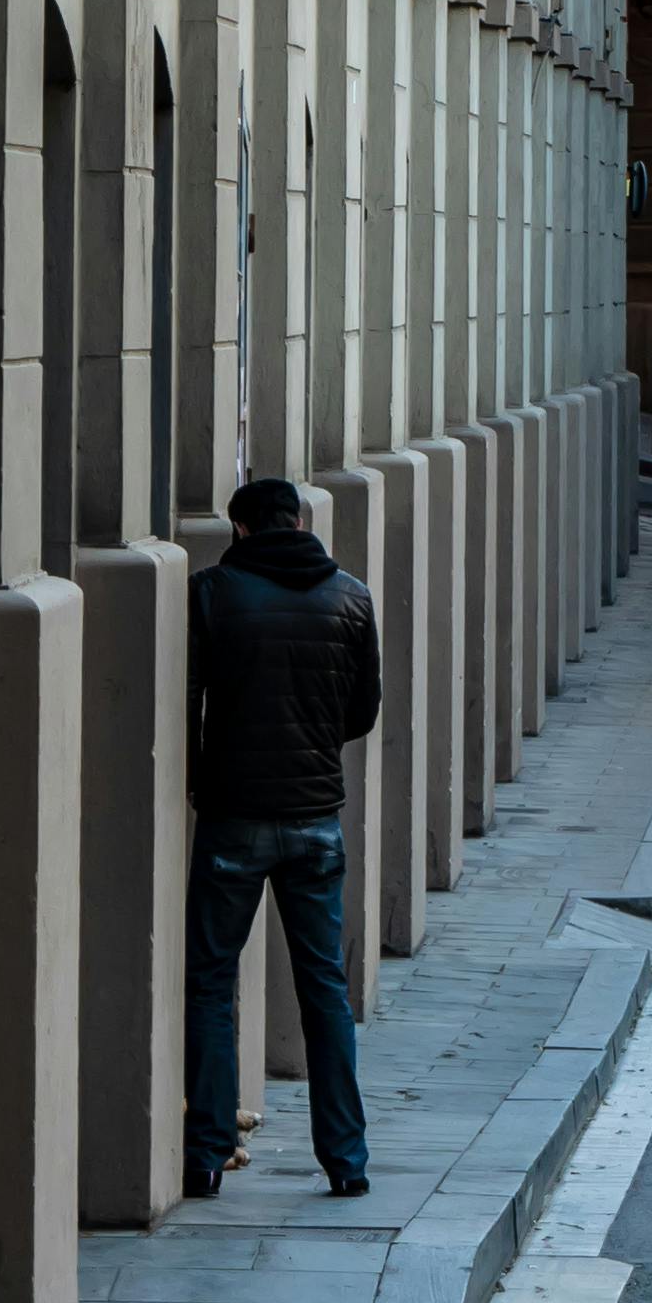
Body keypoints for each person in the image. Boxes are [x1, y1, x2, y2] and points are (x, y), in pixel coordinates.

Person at [185, 474, 382, 1200]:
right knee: (324, 988)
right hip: (315, 820)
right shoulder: (352, 596)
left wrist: (203, 775)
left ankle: (205, 1155)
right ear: (298, 522)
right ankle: (347, 1163)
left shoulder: (211, 592)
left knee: (210, 984)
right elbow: (361, 710)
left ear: (240, 529)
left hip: (232, 815)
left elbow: (187, 700)